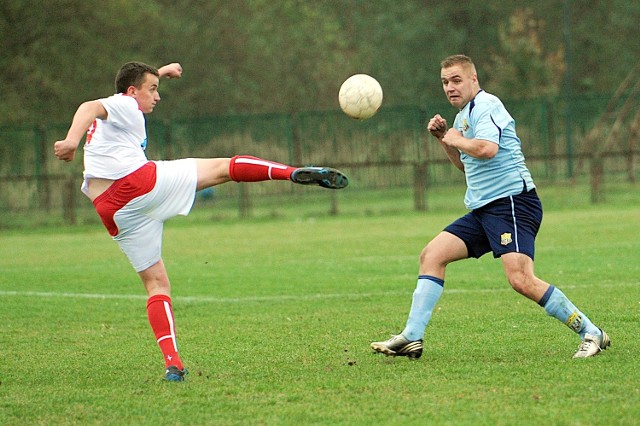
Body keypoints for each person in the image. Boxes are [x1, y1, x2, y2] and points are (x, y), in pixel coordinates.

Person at [54, 61, 349, 382]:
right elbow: (88, 106)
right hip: (136, 183)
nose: (158, 97)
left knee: (156, 285)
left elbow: (119, 95)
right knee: (224, 168)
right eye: (152, 90)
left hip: (111, 209)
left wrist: (160, 73)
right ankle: (291, 172)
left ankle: (173, 364)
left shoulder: (121, 108)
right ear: (131, 91)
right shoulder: (126, 105)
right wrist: (71, 141)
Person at [371, 54, 609, 360]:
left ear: (474, 79)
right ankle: (412, 337)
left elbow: (487, 149)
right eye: (445, 82)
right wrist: (445, 139)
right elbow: (466, 165)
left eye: (456, 80)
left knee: (521, 279)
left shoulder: (487, 106)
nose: (450, 87)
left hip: (512, 203)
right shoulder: (462, 118)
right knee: (432, 255)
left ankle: (591, 332)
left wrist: (456, 138)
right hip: (484, 209)